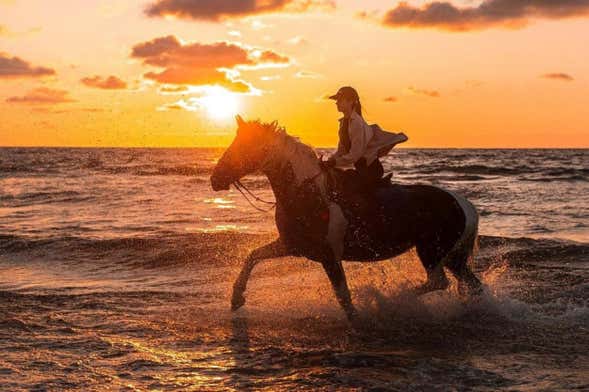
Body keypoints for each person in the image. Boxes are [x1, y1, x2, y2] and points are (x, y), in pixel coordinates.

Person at [319, 86, 408, 214]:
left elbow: (355, 155)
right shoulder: (343, 123)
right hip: (361, 169)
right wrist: (329, 161)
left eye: (340, 99)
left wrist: (333, 163)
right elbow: (341, 151)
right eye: (336, 100)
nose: (336, 102)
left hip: (370, 171)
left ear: (351, 101)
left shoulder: (356, 123)